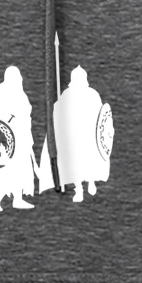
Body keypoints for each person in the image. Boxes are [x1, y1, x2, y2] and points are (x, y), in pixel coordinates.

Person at [0, 65, 36, 213]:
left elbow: (25, 114)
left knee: (20, 169)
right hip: (6, 139)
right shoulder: (0, 93)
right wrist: (9, 120)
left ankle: (18, 198)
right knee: (2, 170)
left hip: (21, 137)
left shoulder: (21, 94)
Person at [51, 65, 111, 203]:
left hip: (88, 134)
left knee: (88, 159)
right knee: (76, 163)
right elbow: (59, 112)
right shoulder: (67, 95)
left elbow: (100, 116)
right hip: (74, 135)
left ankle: (90, 182)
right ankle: (79, 189)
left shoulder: (91, 94)